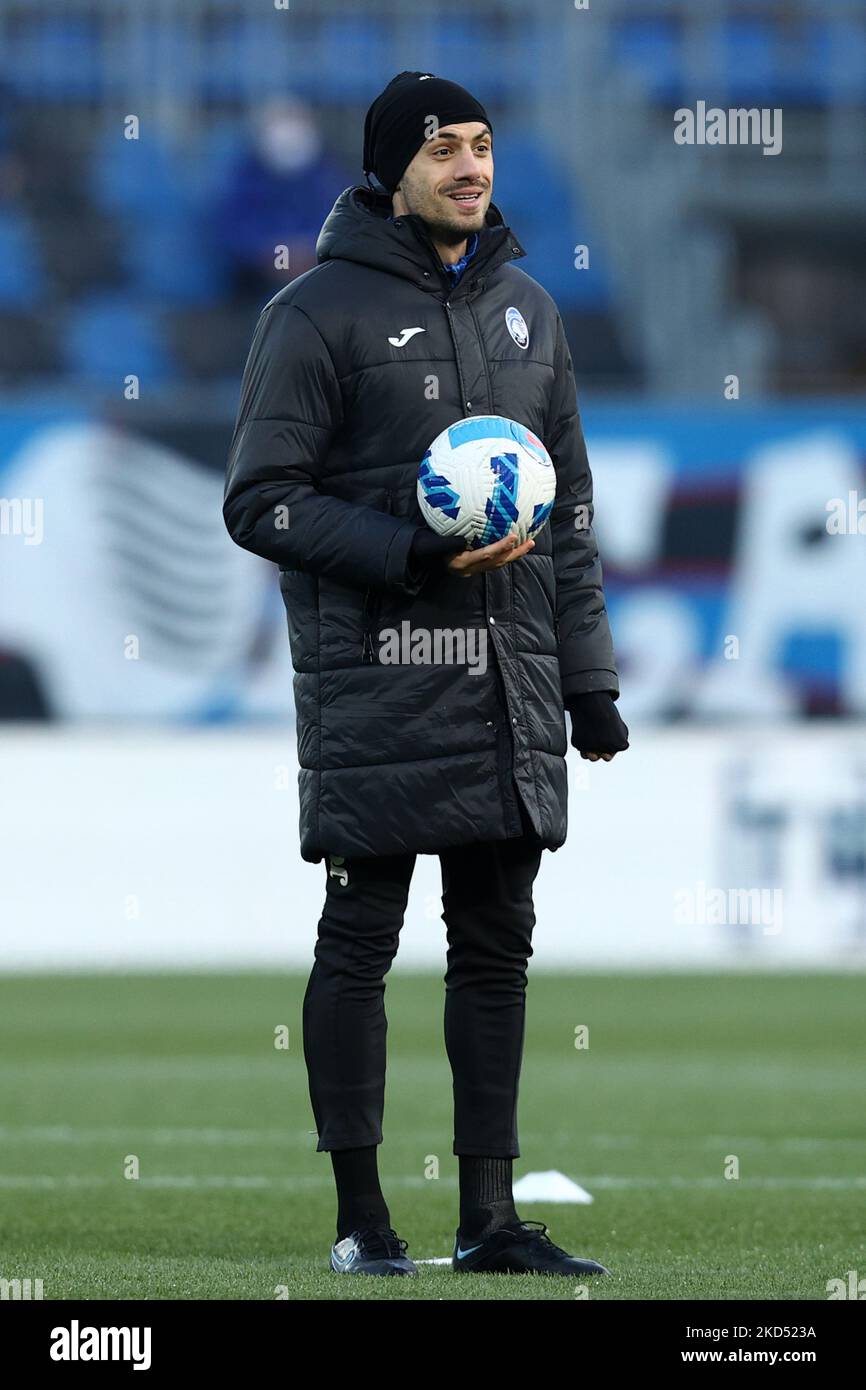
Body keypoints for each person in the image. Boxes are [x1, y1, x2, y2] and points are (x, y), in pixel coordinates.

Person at [223, 71, 629, 1279]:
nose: (470, 166)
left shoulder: (529, 313)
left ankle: (488, 1220)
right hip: (379, 678)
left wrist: (588, 681)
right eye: (442, 148)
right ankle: (362, 1219)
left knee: (496, 942)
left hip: (507, 680)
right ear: (389, 170)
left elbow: (569, 517)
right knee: (360, 934)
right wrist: (409, 550)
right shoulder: (311, 315)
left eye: (482, 145)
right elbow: (261, 500)